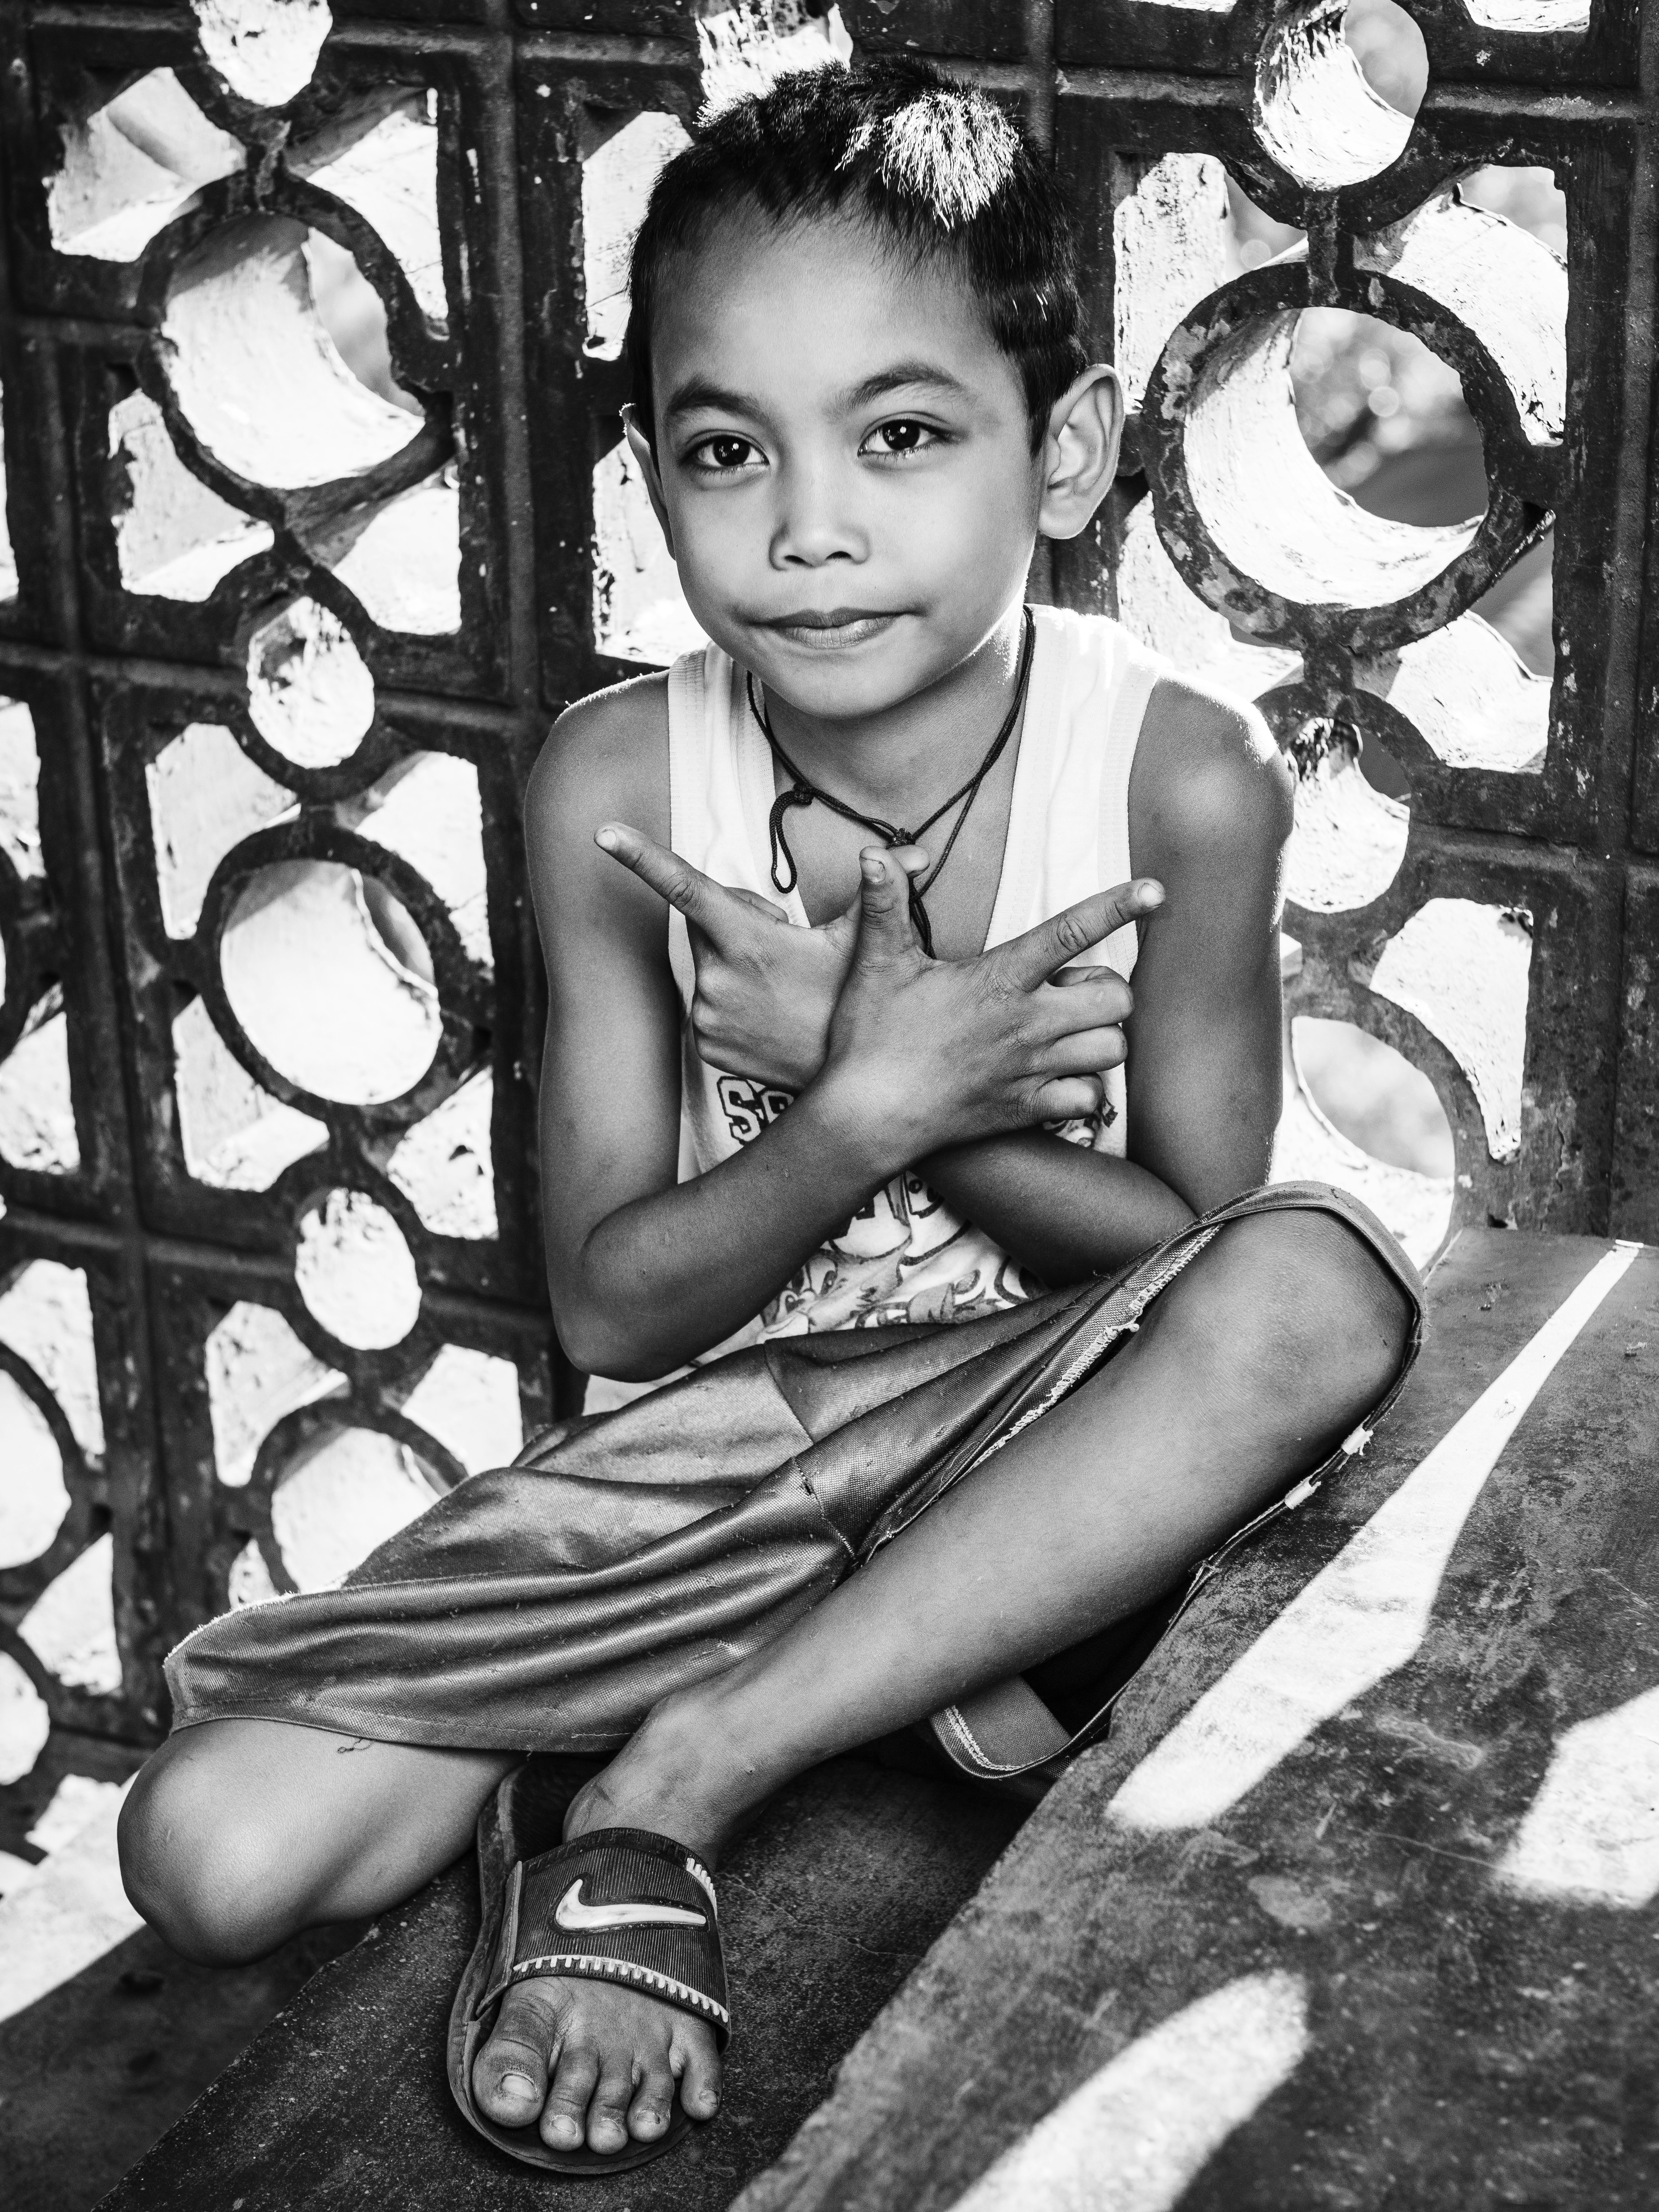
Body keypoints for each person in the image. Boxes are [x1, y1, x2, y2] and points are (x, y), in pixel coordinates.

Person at [119, 58, 1418, 2177]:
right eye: (730, 451)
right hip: (722, 1460)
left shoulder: (1176, 778)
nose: (810, 526)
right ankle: (847, 1682)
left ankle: (669, 1784)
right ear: (652, 472)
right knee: (215, 1850)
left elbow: (1187, 1245)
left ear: (1065, 450)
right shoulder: (622, 789)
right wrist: (846, 1115)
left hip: (1025, 1429)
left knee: (1323, 1288)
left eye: (903, 436)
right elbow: (620, 1308)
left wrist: (875, 1077)